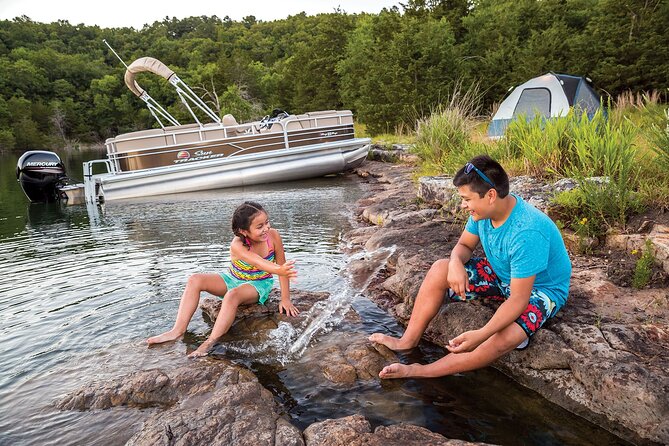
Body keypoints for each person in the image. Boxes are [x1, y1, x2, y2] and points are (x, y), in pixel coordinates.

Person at [370, 155, 571, 378]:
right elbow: (465, 245)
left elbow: (517, 300)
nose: (463, 205)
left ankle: (420, 371)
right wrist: (455, 262)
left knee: (505, 338)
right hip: (501, 273)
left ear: (491, 195)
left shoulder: (527, 232)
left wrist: (481, 333)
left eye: (466, 199)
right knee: (440, 268)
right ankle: (407, 341)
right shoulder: (482, 212)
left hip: (540, 290)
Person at [147, 201, 299, 357]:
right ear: (243, 231)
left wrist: (285, 299)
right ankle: (177, 331)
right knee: (195, 279)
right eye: (260, 227)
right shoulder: (237, 244)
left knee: (232, 295)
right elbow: (257, 261)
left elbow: (280, 267)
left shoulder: (273, 236)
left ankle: (209, 342)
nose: (266, 228)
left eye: (267, 222)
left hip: (258, 284)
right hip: (232, 278)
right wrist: (279, 269)